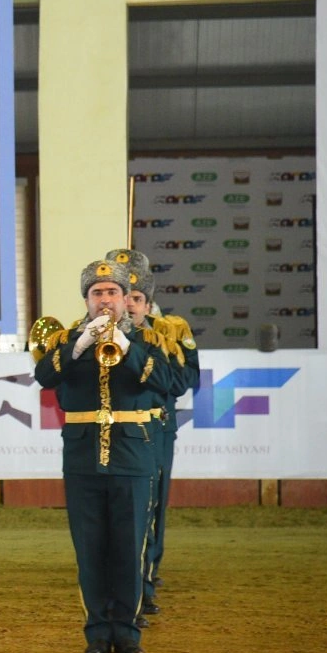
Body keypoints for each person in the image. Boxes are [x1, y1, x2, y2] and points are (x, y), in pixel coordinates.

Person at [33, 259, 181, 653]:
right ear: (86, 300)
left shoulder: (149, 339)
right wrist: (80, 344)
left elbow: (168, 383)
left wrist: (126, 345)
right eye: (97, 293)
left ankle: (127, 633)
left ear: (124, 298)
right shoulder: (69, 339)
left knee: (129, 548)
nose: (105, 299)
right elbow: (45, 376)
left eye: (112, 292)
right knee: (90, 549)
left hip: (133, 456)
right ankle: (97, 631)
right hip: (83, 459)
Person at [108, 247, 200, 624]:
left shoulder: (168, 331)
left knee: (151, 506)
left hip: (155, 429)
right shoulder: (96, 329)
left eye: (136, 297)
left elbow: (183, 380)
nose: (129, 304)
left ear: (147, 300)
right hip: (112, 430)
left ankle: (145, 578)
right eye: (123, 295)